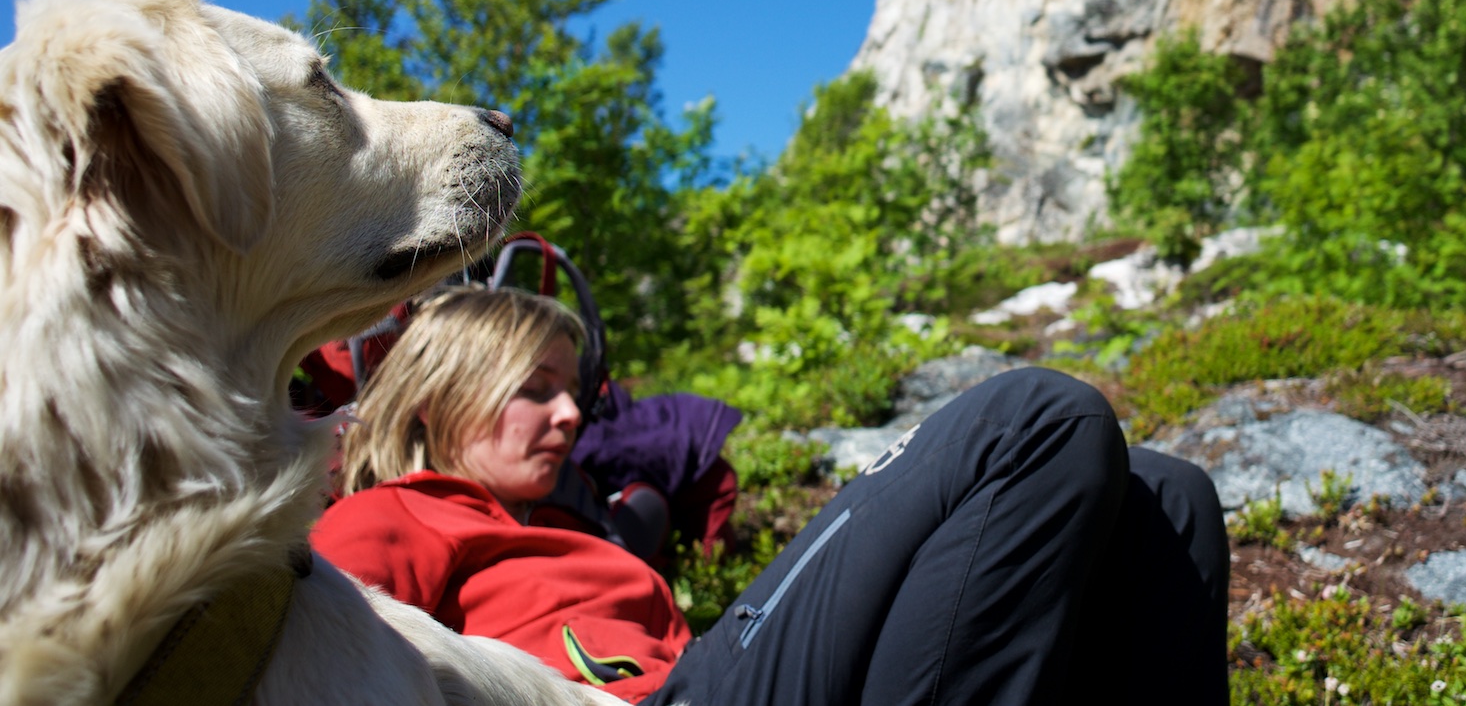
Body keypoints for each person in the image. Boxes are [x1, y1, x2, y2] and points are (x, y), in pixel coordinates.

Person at [313, 288, 1229, 706]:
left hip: (716, 672)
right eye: (533, 389)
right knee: (1036, 415)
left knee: (1168, 495)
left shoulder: (576, 520)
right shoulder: (391, 512)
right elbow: (322, 667)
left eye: (572, 392)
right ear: (436, 399)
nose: (568, 415)